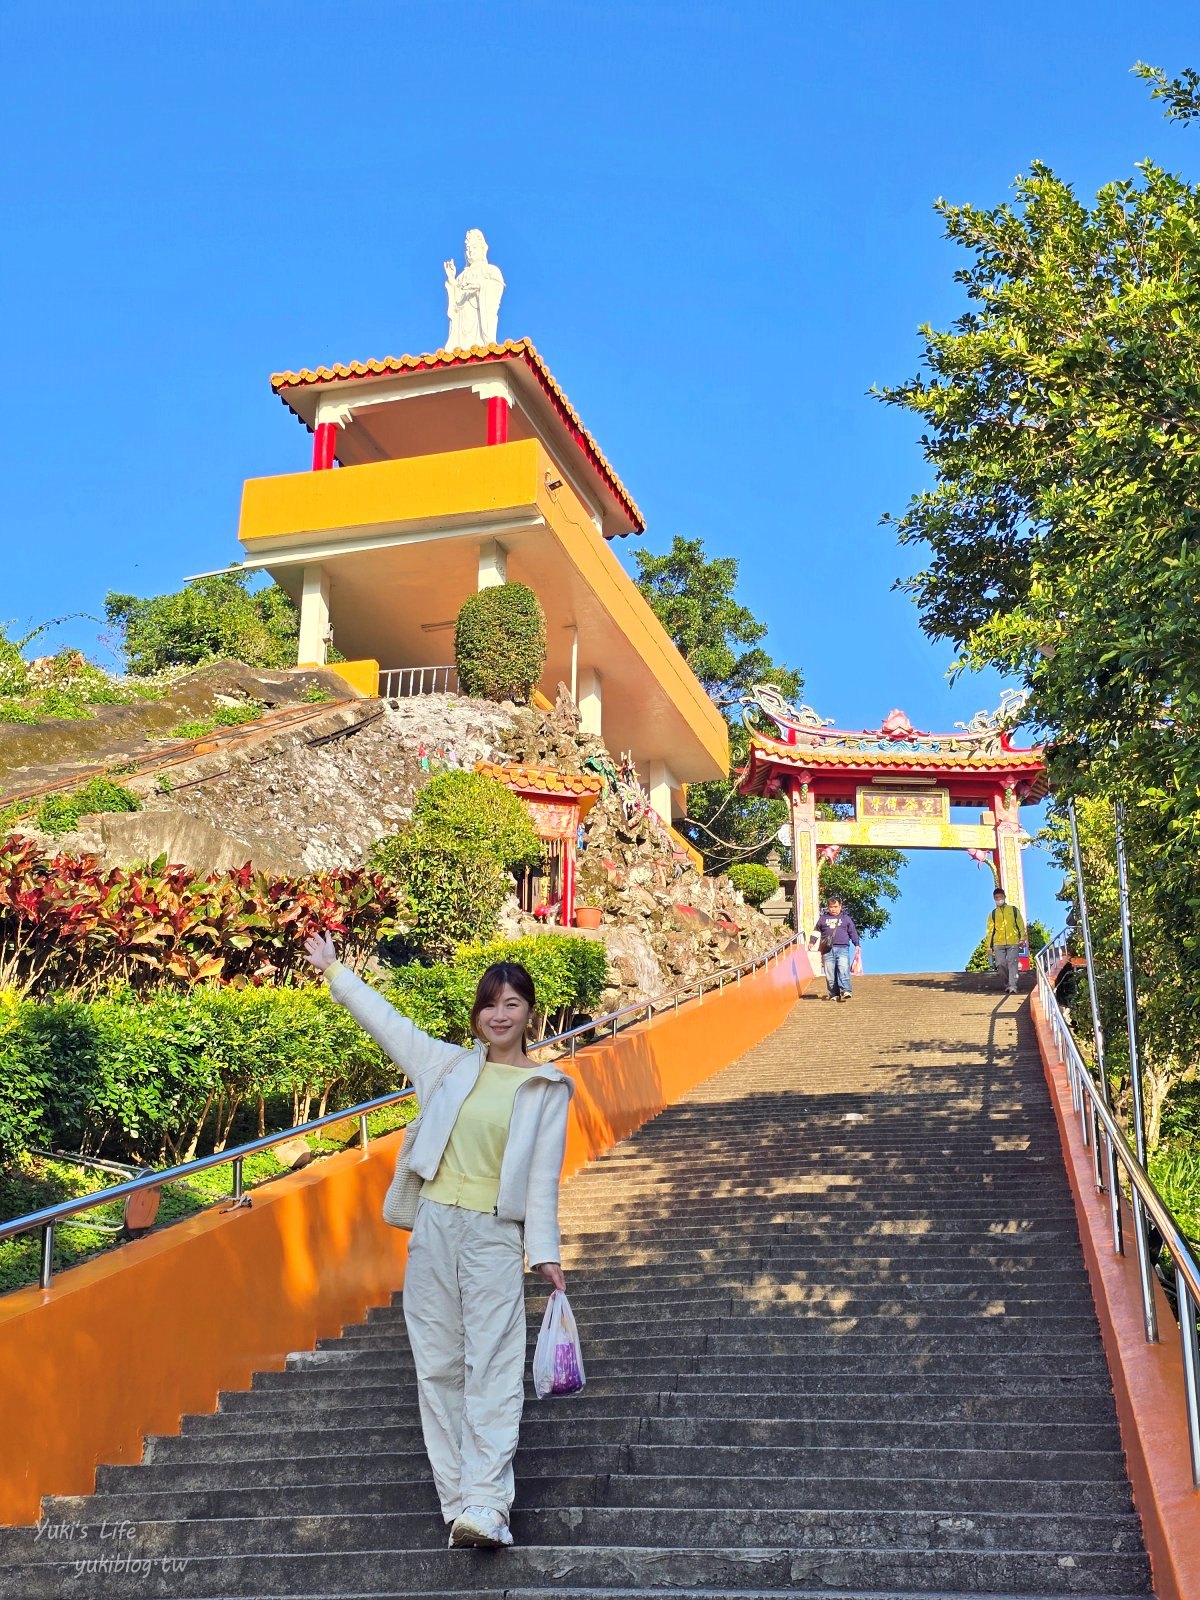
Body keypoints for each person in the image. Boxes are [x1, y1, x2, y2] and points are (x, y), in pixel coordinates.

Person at [302, 934, 573, 1552]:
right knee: (439, 1366)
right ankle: (457, 1501)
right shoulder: (446, 1067)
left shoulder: (547, 1087)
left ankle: (488, 1501)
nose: (499, 1015)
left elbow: (541, 1177)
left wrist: (546, 1250)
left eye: (511, 1004)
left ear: (530, 1012)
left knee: (494, 1366)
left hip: (494, 1237)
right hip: (433, 1229)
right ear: (476, 1015)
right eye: (488, 1005)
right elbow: (388, 1024)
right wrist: (336, 973)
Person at [810, 895, 861, 1002]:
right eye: (831, 907)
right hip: (827, 949)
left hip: (842, 948)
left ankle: (846, 990)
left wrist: (857, 944)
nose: (833, 909)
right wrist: (812, 942)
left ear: (840, 906)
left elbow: (852, 932)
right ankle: (833, 993)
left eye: (835, 906)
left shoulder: (845, 919)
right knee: (829, 973)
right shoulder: (823, 919)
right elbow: (816, 931)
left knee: (843, 969)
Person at [985, 886, 1026, 995]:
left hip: (1013, 941)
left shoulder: (1013, 910)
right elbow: (990, 931)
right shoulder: (993, 914)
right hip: (998, 943)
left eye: (1000, 897)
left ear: (1005, 897)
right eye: (996, 898)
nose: (999, 899)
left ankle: (1013, 986)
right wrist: (988, 947)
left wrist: (1022, 938)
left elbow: (1020, 925)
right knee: (1000, 964)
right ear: (994, 899)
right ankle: (1008, 983)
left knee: (1013, 962)